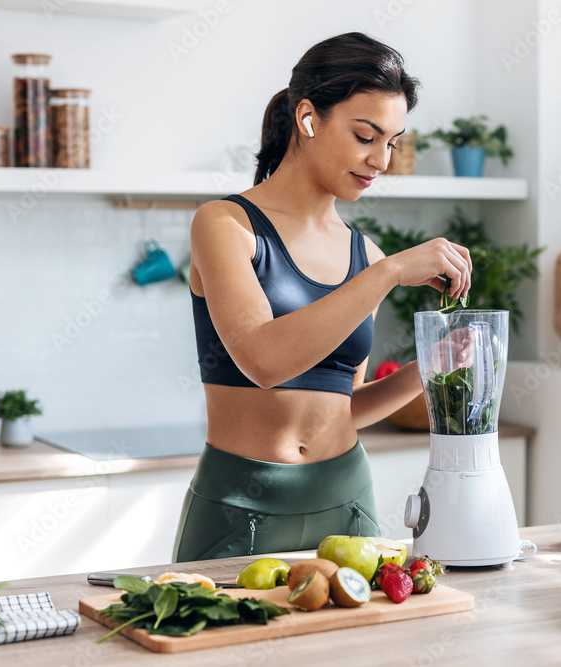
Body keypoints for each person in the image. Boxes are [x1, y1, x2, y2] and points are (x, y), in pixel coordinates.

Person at [172, 32, 472, 563]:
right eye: (365, 135)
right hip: (240, 502)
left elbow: (344, 408)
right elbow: (264, 361)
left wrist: (429, 365)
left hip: (346, 499)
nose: (381, 160)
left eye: (393, 142)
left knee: (360, 649)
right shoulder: (226, 225)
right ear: (309, 119)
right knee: (216, 644)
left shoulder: (368, 256)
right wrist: (392, 273)